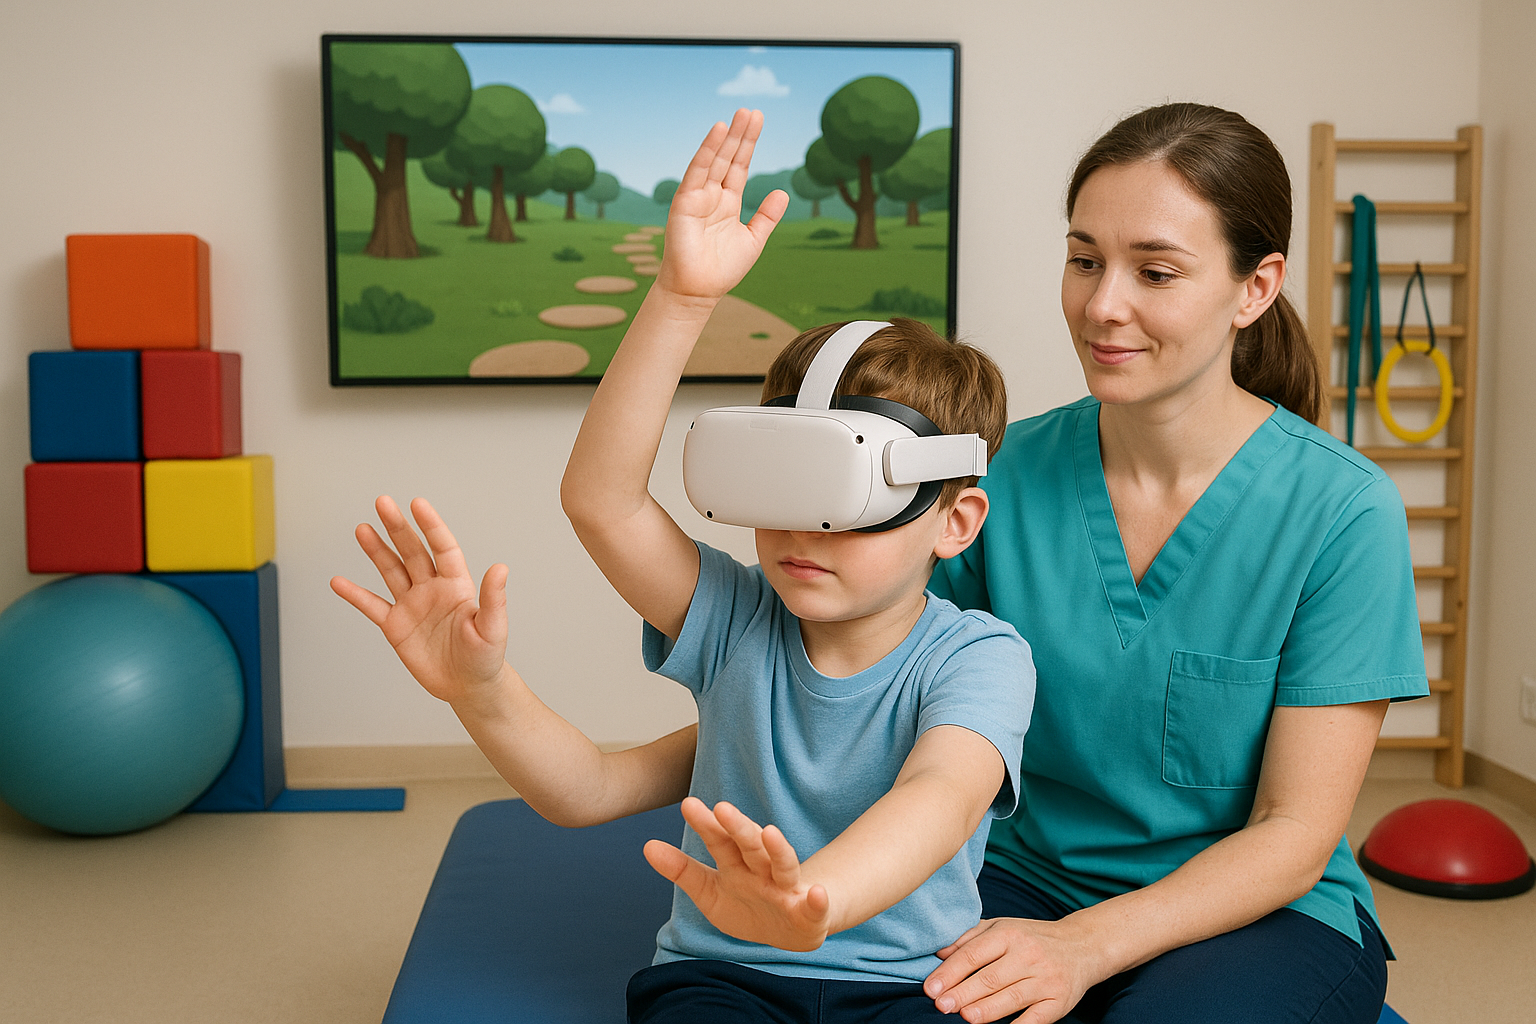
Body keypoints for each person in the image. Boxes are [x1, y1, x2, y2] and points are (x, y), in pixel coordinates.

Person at [331, 109, 1035, 1023]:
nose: (801, 534)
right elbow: (602, 513)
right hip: (723, 978)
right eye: (777, 486)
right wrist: (681, 299)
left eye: (847, 500)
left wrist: (809, 903)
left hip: (909, 987)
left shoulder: (979, 658)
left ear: (954, 521)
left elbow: (938, 799)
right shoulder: (739, 624)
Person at [916, 102, 1429, 1024]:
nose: (1103, 304)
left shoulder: (1341, 510)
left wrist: (1087, 946)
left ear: (1254, 288)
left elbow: (1294, 834)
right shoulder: (1001, 474)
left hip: (1257, 912)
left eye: (1155, 271)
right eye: (1084, 261)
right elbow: (889, 678)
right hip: (1019, 877)